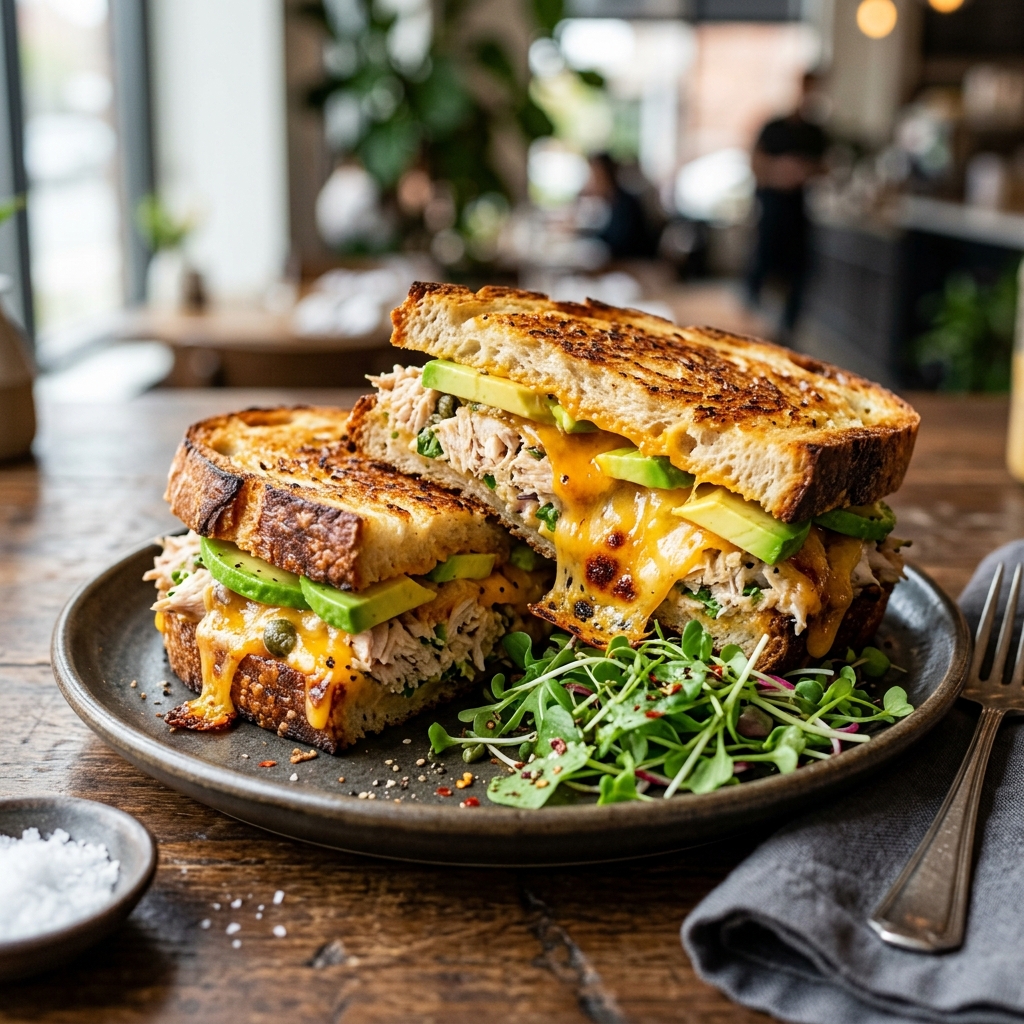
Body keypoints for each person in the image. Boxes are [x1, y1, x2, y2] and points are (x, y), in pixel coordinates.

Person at [746, 74, 828, 340]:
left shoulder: (816, 133)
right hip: (772, 206)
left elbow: (826, 167)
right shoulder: (774, 127)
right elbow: (754, 162)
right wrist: (778, 172)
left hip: (799, 210)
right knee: (762, 264)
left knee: (799, 273)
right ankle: (747, 323)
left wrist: (804, 171)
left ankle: (786, 331)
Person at [582, 153, 661, 260]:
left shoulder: (625, 205)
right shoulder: (611, 202)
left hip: (637, 264)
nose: (590, 182)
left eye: (595, 177)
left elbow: (620, 245)